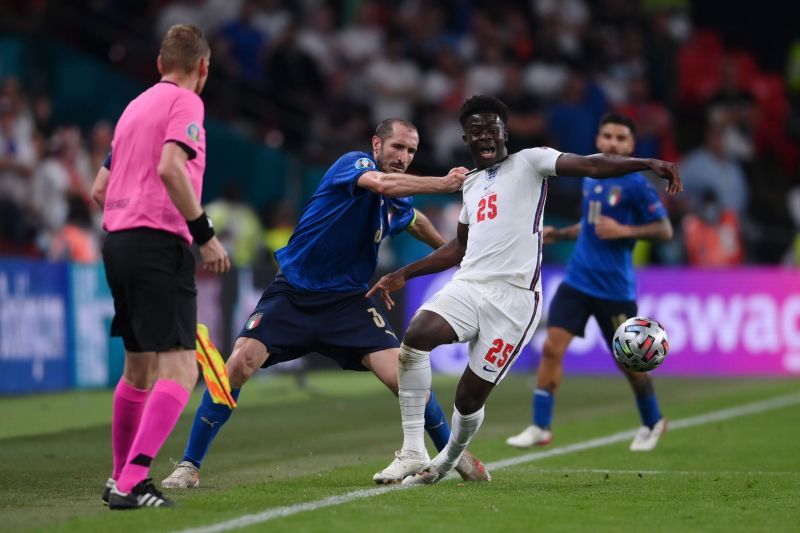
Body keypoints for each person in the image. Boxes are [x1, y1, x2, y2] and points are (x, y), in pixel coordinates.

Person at [161, 118, 490, 490]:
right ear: (376, 145)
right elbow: (382, 183)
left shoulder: (399, 200)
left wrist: (457, 257)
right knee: (237, 365)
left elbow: (415, 220)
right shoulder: (354, 165)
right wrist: (444, 183)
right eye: (397, 147)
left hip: (347, 304)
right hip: (293, 295)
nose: (403, 157)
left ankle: (452, 453)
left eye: (411, 151)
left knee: (406, 377)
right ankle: (189, 465)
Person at [368, 95, 681, 485]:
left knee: (467, 400)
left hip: (515, 302)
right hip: (469, 285)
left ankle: (448, 461)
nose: (485, 135)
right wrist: (405, 273)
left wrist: (647, 162)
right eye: (476, 130)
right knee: (416, 336)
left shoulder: (530, 162)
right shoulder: (470, 184)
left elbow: (591, 163)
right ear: (466, 138)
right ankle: (414, 450)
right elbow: (460, 248)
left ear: (504, 132)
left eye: (492, 127)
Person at [90, 24, 230, 509]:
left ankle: (117, 478)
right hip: (156, 243)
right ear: (203, 67)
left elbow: (98, 189)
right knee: (181, 369)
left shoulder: (133, 108)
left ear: (158, 64)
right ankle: (132, 479)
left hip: (119, 243)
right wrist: (205, 234)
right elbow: (172, 166)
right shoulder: (186, 102)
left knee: (138, 371)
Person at [505, 112, 674, 453]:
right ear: (598, 141)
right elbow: (592, 224)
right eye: (607, 136)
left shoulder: (637, 185)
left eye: (620, 138)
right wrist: (563, 233)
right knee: (552, 347)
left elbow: (664, 230)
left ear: (631, 145)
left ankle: (653, 420)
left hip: (613, 289)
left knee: (629, 363)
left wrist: (626, 231)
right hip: (577, 280)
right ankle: (540, 425)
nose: (612, 143)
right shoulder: (591, 177)